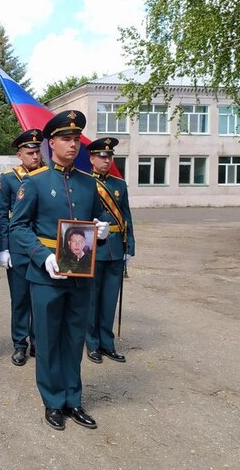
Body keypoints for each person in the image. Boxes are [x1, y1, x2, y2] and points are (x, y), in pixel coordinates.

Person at [10, 110, 110, 432]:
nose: (73, 144)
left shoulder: (88, 184)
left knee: (73, 338)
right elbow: (19, 227)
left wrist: (102, 230)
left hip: (80, 272)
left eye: (76, 138)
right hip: (46, 275)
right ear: (51, 143)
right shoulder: (35, 183)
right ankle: (53, 401)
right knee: (50, 340)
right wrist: (42, 255)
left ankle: (73, 399)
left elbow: (94, 222)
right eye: (66, 138)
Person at [0, 128, 44, 366]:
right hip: (18, 247)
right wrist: (3, 248)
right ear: (19, 155)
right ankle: (19, 343)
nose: (35, 157)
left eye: (38, 152)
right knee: (20, 298)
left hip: (44, 246)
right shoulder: (8, 178)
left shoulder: (48, 175)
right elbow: (2, 216)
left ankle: (38, 341)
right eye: (30, 152)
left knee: (42, 296)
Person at [84, 137, 135, 365]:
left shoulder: (119, 184)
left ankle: (108, 343)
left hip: (115, 249)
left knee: (109, 299)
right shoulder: (85, 183)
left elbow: (126, 218)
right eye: (102, 157)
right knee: (91, 299)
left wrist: (128, 247)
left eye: (109, 156)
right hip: (93, 247)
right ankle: (92, 343)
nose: (106, 160)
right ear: (92, 159)